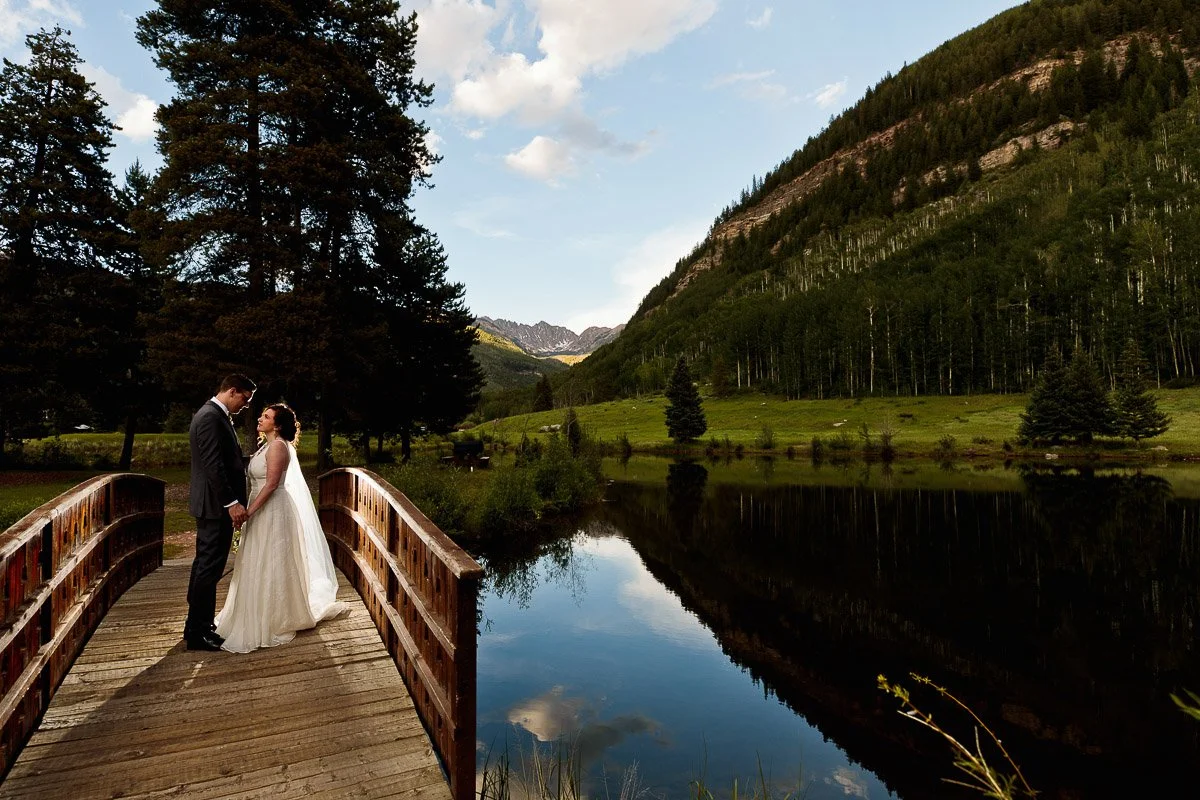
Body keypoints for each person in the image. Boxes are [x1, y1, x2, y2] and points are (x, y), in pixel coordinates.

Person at [214, 403, 347, 653]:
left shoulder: (277, 447)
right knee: (258, 559)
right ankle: (258, 609)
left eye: (266, 417)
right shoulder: (266, 445)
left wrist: (249, 512)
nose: (260, 419)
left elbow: (272, 484)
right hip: (259, 507)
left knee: (273, 559)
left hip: (272, 510)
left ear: (277, 425)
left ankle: (276, 616)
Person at [186, 374, 256, 651]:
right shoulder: (209, 417)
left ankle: (199, 625)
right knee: (208, 568)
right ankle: (197, 631)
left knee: (207, 566)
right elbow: (213, 466)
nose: (246, 406)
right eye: (245, 399)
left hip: (213, 505)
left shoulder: (216, 415)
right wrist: (232, 503)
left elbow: (230, 461)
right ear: (232, 391)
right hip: (215, 507)